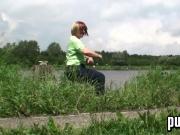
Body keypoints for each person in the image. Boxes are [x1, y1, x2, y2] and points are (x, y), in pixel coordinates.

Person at [65, 21, 105, 95]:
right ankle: (99, 99)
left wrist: (88, 59)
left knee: (94, 79)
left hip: (70, 69)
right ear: (75, 30)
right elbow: (86, 51)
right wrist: (98, 55)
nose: (83, 32)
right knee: (100, 77)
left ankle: (90, 97)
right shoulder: (75, 40)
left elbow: (79, 56)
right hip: (76, 69)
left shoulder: (72, 41)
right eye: (82, 30)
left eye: (84, 30)